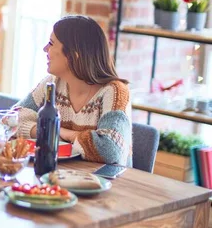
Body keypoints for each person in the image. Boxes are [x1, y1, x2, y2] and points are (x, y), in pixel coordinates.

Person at [16, 15, 132, 167]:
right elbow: (11, 120)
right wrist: (51, 132)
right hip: (60, 174)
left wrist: (57, 131)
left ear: (73, 56)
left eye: (51, 43)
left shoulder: (115, 92)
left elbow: (110, 149)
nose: (45, 49)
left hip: (105, 182)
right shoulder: (52, 83)